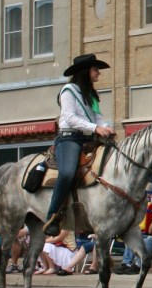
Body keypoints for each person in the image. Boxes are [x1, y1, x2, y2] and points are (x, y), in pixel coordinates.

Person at [43, 54, 115, 236]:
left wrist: (106, 127)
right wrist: (96, 128)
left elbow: (98, 117)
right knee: (67, 173)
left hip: (89, 138)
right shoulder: (68, 91)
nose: (98, 73)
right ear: (86, 72)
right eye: (95, 69)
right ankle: (53, 216)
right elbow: (70, 118)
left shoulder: (90, 94)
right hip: (70, 138)